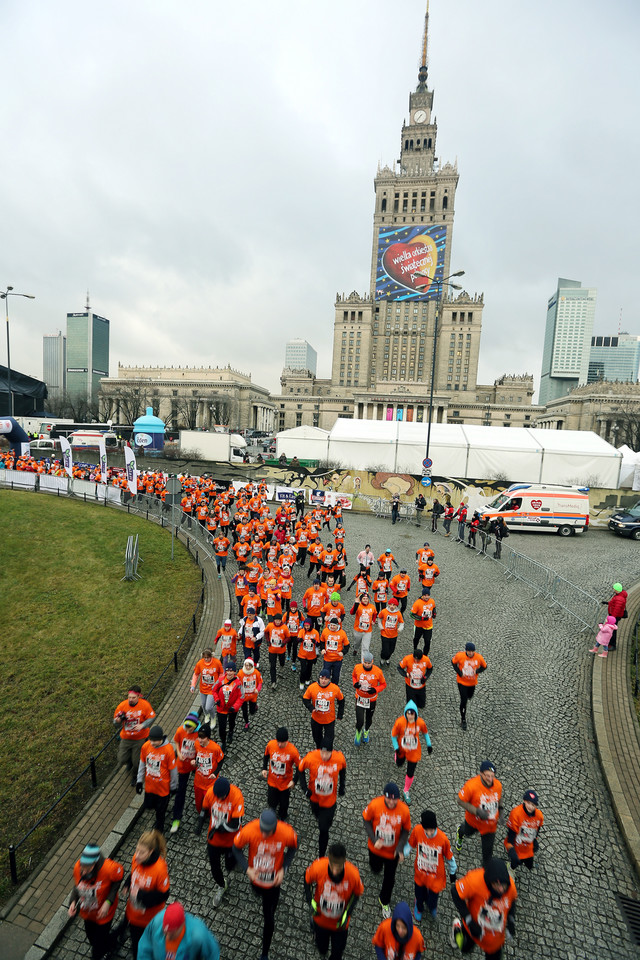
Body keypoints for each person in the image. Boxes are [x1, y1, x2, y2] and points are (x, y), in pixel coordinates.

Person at [233, 809, 298, 960]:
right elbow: (236, 848)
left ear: (275, 828)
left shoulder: (286, 832)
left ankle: (264, 953)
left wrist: (284, 868)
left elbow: (294, 846)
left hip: (273, 884)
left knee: (269, 917)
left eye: (267, 832)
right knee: (257, 892)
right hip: (255, 880)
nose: (263, 835)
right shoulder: (250, 830)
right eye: (262, 830)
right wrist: (246, 868)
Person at [304, 842, 363, 960]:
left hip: (340, 925)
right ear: (328, 860)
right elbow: (307, 880)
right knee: (322, 949)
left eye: (339, 867)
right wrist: (310, 900)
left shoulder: (353, 874)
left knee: (337, 954)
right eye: (332, 866)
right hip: (320, 921)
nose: (335, 871)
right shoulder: (318, 867)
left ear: (344, 862)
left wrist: (348, 912)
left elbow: (356, 894)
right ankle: (314, 930)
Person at [450, 858, 516, 958]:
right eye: (497, 884)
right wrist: (469, 921)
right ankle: (456, 930)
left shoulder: (511, 887)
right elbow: (455, 892)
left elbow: (512, 900)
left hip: (495, 940)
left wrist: (511, 920)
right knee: (464, 948)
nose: (501, 889)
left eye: (503, 884)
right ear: (489, 882)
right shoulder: (474, 880)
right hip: (472, 930)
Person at [195, 775, 245, 907]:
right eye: (217, 797)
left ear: (227, 792)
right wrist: (200, 824)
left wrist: (218, 827)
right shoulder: (212, 793)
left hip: (231, 841)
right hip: (214, 840)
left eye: (222, 797)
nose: (219, 799)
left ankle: (235, 859)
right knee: (214, 867)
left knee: (230, 865)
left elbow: (236, 823)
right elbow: (204, 808)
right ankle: (222, 885)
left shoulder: (236, 796)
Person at [363, 782, 411, 920]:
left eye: (394, 798)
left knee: (390, 879)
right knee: (375, 868)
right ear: (384, 796)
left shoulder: (404, 811)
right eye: (388, 798)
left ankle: (384, 901)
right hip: (375, 849)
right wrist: (373, 839)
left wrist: (400, 848)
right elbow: (366, 820)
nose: (391, 801)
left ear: (398, 798)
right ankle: (375, 867)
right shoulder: (375, 804)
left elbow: (406, 830)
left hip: (392, 853)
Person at [68, 843, 124, 960]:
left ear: (94, 864)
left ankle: (104, 951)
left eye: (86, 869)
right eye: (81, 869)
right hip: (88, 913)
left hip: (104, 914)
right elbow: (77, 886)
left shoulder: (109, 868)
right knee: (92, 938)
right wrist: (73, 902)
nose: (82, 872)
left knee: (96, 950)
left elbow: (118, 879)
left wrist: (108, 902)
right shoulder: (78, 867)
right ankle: (114, 940)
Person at [120, 830, 170, 959]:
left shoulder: (160, 868)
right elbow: (133, 874)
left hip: (149, 919)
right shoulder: (136, 859)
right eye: (137, 850)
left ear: (151, 852)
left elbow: (163, 895)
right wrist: (127, 884)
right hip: (133, 913)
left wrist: (141, 895)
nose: (137, 855)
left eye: (141, 852)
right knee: (136, 944)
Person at [298, 738, 347, 857]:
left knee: (324, 828)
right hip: (314, 798)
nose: (324, 756)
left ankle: (321, 855)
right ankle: (320, 819)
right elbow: (300, 769)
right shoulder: (311, 757)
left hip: (329, 802)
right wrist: (305, 789)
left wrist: (342, 786)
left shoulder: (339, 758)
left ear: (332, 752)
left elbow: (343, 770)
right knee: (317, 815)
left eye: (327, 753)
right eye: (322, 753)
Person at [406, 810, 456, 922]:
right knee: (419, 894)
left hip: (436, 876)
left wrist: (453, 872)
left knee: (433, 898)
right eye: (426, 830)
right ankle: (418, 907)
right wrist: (402, 852)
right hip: (420, 873)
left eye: (431, 830)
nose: (429, 833)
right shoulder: (417, 831)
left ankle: (432, 906)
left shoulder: (443, 839)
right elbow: (410, 844)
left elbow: (449, 857)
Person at [455, 760, 503, 864]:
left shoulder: (498, 785)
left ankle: (486, 875)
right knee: (467, 832)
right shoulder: (471, 786)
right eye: (487, 776)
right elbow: (459, 800)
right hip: (473, 821)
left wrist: (501, 812)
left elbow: (499, 798)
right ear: (481, 774)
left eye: (492, 776)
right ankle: (460, 831)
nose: (490, 779)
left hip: (490, 826)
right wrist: (477, 811)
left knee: (487, 855)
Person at [137, 902, 220, 960]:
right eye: (165, 932)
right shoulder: (157, 922)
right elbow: (144, 946)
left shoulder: (198, 934)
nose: (168, 936)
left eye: (172, 933)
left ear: (182, 925)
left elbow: (213, 953)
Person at [136, 726, 178, 834]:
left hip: (163, 790)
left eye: (155, 741)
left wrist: (173, 786)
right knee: (149, 806)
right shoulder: (146, 746)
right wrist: (139, 781)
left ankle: (159, 829)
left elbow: (173, 770)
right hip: (150, 787)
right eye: (151, 740)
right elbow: (142, 763)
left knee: (160, 812)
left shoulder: (168, 750)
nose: (153, 743)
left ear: (161, 739)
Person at [113, 686, 156, 787]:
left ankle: (135, 776)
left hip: (139, 738)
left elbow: (152, 717)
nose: (131, 700)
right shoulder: (122, 706)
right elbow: (115, 723)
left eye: (133, 697)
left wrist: (143, 725)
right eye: (129, 697)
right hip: (126, 738)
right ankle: (129, 762)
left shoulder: (144, 705)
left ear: (139, 696)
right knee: (121, 759)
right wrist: (117, 721)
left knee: (137, 762)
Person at [391, 702, 432, 804]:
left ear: (416, 714)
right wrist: (396, 748)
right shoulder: (399, 722)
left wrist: (429, 745)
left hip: (414, 751)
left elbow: (425, 733)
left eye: (412, 713)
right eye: (408, 713)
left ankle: (406, 790)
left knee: (410, 772)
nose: (410, 715)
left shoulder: (420, 723)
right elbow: (393, 736)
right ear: (405, 713)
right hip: (402, 749)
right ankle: (397, 757)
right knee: (399, 764)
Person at [170, 711, 200, 834]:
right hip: (182, 766)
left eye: (190, 729)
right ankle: (176, 818)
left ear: (196, 726)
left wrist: (196, 761)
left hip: (196, 766)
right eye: (186, 728)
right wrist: (178, 752)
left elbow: (204, 748)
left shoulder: (200, 733)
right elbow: (177, 741)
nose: (187, 732)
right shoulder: (180, 730)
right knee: (180, 791)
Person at [262, 726, 300, 820]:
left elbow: (300, 767)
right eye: (278, 741)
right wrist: (264, 768)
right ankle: (272, 817)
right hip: (272, 782)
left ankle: (282, 816)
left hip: (285, 784)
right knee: (271, 803)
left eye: (282, 742)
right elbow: (266, 755)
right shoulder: (271, 744)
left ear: (287, 741)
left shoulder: (293, 751)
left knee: (284, 804)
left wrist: (294, 781)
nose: (279, 744)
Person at [303, 668, 345, 748]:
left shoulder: (335, 688)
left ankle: (328, 756)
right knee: (317, 739)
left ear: (329, 679)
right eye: (322, 678)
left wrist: (340, 714)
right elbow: (305, 699)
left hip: (329, 720)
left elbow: (341, 700)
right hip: (316, 719)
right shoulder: (312, 687)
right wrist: (311, 708)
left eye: (326, 679)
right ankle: (320, 753)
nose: (323, 681)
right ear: (319, 678)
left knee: (329, 742)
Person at [504, 789, 544, 872]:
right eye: (528, 803)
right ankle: (511, 869)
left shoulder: (539, 815)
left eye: (533, 805)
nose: (530, 806)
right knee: (516, 862)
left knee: (529, 863)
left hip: (528, 846)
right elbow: (511, 834)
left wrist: (535, 840)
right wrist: (511, 848)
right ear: (524, 801)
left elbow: (537, 829)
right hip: (517, 845)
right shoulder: (516, 814)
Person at [352, 650, 387, 745]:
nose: (367, 665)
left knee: (369, 718)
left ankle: (366, 731)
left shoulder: (378, 671)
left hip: (371, 700)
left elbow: (383, 684)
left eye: (369, 663)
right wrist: (355, 684)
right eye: (365, 663)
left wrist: (375, 689)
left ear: (372, 662)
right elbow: (354, 677)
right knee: (360, 720)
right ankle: (358, 732)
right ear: (363, 661)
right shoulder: (357, 667)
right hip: (360, 698)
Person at [451, 642, 487, 730]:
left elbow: (484, 666)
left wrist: (477, 671)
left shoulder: (479, 658)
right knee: (464, 700)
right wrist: (459, 673)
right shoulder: (460, 656)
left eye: (472, 651)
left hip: (472, 682)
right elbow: (453, 662)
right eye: (468, 651)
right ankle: (463, 719)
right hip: (462, 682)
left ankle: (467, 698)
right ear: (466, 650)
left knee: (470, 696)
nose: (470, 653)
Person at [192, 723, 224, 812]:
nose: (200, 740)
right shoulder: (196, 744)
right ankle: (200, 814)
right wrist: (194, 762)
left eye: (203, 738)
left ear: (208, 737)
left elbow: (221, 761)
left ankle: (210, 816)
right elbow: (196, 756)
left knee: (210, 804)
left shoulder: (215, 748)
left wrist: (215, 773)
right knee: (199, 803)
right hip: (198, 781)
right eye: (199, 737)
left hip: (210, 783)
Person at [211, 660, 243, 749]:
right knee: (222, 727)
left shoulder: (238, 683)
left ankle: (231, 732)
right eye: (228, 670)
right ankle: (223, 741)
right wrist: (217, 699)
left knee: (231, 722)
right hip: (221, 708)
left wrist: (235, 707)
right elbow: (214, 690)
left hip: (232, 709)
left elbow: (241, 696)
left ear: (234, 672)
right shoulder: (220, 680)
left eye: (231, 670)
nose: (229, 673)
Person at [190, 649, 223, 725]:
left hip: (212, 689)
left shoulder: (217, 662)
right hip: (203, 689)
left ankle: (213, 717)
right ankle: (206, 715)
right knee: (203, 705)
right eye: (204, 657)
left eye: (208, 657)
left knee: (208, 707)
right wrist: (193, 685)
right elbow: (196, 674)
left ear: (211, 656)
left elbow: (221, 673)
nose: (206, 659)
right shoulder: (200, 663)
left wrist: (219, 683)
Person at [350, 591, 378, 659]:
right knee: (357, 643)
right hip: (358, 629)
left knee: (365, 647)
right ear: (361, 599)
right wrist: (356, 603)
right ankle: (355, 649)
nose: (365, 600)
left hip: (368, 631)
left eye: (366, 598)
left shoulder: (372, 606)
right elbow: (352, 612)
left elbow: (375, 613)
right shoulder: (358, 606)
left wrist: (373, 620)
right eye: (364, 598)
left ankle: (364, 663)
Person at [378, 597, 404, 666]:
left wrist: (400, 628)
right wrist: (380, 626)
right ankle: (382, 658)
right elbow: (379, 618)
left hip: (394, 635)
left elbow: (401, 622)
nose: (392, 606)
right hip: (385, 634)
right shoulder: (384, 611)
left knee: (392, 649)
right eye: (391, 604)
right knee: (385, 649)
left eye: (394, 605)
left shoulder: (398, 613)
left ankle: (388, 657)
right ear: (388, 604)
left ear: (396, 606)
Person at [602, 582, 628, 651]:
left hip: (614, 617)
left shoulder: (619, 598)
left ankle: (612, 645)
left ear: (617, 590)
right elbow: (614, 603)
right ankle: (610, 643)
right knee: (612, 630)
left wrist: (612, 618)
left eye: (614, 589)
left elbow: (616, 609)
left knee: (612, 631)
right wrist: (608, 603)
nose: (613, 590)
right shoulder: (619, 595)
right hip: (614, 617)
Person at [410, 588, 436, 655]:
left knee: (427, 641)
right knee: (416, 638)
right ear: (422, 595)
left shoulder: (432, 601)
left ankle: (425, 655)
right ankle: (415, 648)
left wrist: (434, 613)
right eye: (425, 595)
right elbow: (412, 615)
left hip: (428, 626)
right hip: (419, 626)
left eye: (428, 595)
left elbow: (434, 607)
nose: (427, 597)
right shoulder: (417, 603)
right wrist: (421, 618)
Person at [297, 617, 320, 690]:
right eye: (305, 626)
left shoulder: (315, 632)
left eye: (308, 626)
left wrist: (315, 642)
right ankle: (302, 681)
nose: (306, 627)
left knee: (309, 668)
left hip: (311, 655)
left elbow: (318, 643)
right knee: (303, 669)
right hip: (302, 654)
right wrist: (300, 640)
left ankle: (307, 679)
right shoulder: (302, 631)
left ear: (311, 625)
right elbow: (298, 638)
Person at [241, 657, 263, 729]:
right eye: (246, 665)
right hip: (243, 696)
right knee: (244, 711)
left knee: (252, 711)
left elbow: (260, 682)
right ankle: (246, 722)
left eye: (249, 665)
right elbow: (237, 683)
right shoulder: (240, 673)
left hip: (253, 696)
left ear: (252, 666)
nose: (247, 667)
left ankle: (255, 706)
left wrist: (258, 689)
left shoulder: (256, 672)